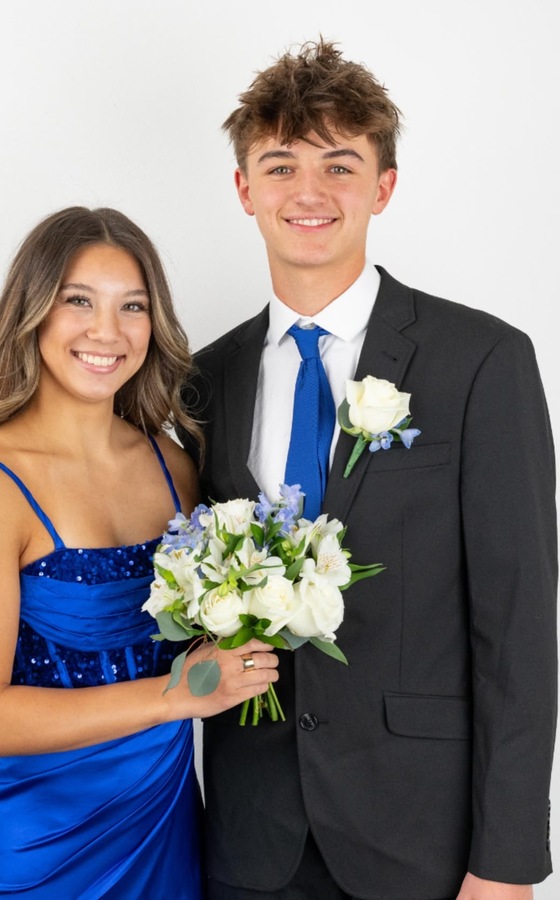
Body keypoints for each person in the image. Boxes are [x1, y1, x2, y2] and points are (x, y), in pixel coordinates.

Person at [177, 39, 558, 900]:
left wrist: (505, 865)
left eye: (339, 164)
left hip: (422, 841)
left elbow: (521, 632)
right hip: (248, 841)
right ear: (244, 189)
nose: (308, 193)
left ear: (383, 186)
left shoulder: (481, 362)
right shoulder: (203, 378)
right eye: (279, 166)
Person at [0, 206, 279, 898]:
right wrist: (176, 695)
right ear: (34, 314)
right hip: (39, 852)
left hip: (165, 832)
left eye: (133, 306)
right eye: (78, 301)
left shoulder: (175, 467)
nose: (106, 331)